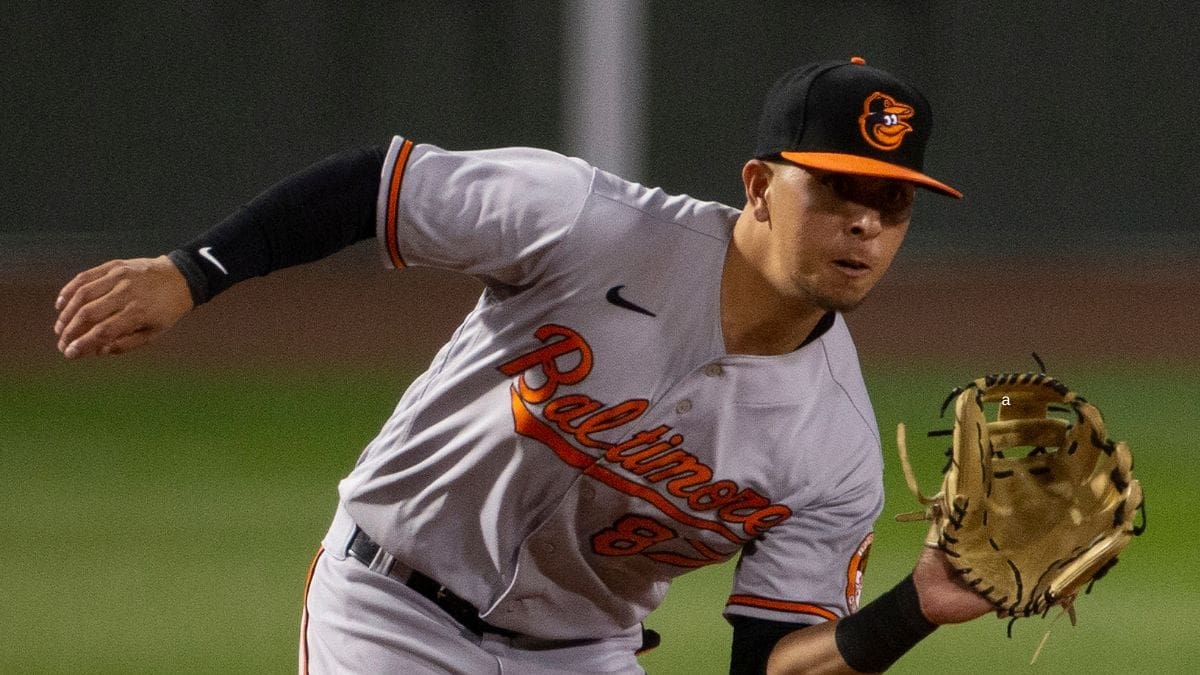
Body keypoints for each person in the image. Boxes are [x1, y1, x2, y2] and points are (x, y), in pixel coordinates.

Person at [53, 56, 992, 674]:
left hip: (581, 653)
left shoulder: (837, 446)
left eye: (893, 204)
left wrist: (911, 608)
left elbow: (770, 663)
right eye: (837, 189)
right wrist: (193, 271)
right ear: (757, 185)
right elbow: (380, 186)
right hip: (392, 611)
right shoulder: (588, 222)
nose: (865, 223)